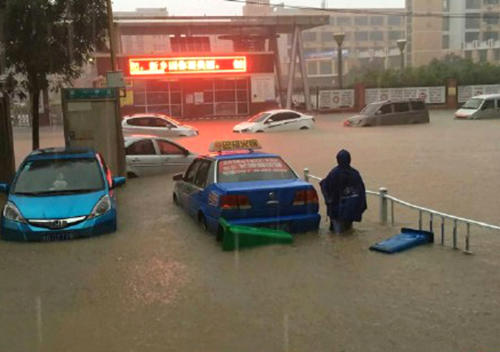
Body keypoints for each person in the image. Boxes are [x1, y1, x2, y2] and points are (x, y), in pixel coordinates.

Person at [320, 149, 367, 233]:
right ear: (349, 159)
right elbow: (361, 191)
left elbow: (326, 187)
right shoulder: (355, 173)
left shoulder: (334, 173)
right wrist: (360, 207)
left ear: (338, 160)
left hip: (337, 210)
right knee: (349, 232)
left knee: (338, 236)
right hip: (351, 209)